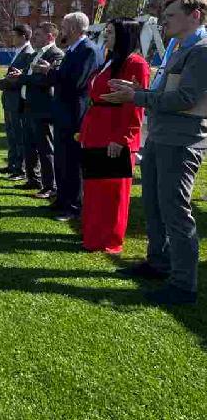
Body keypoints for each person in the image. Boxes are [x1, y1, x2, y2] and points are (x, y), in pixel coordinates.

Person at [104, 0, 207, 305]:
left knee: (176, 212)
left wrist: (136, 97)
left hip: (181, 141)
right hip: (162, 137)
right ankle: (158, 262)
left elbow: (184, 99)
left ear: (196, 16)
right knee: (154, 206)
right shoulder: (179, 47)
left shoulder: (201, 51)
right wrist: (139, 91)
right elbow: (166, 92)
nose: (164, 22)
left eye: (171, 16)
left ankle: (183, 285)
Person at [78, 19, 150, 254]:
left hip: (113, 135)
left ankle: (109, 239)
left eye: (110, 32)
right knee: (95, 189)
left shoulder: (136, 63)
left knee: (112, 192)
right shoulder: (111, 59)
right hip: (97, 130)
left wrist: (122, 139)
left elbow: (136, 107)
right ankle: (92, 235)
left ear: (124, 35)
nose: (105, 36)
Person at [34, 12, 103, 221]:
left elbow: (77, 83)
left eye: (63, 26)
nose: (61, 31)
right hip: (64, 112)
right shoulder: (73, 49)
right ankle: (62, 199)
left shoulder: (88, 50)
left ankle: (73, 205)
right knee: (62, 159)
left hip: (75, 114)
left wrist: (50, 72)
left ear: (73, 28)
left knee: (72, 161)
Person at [17, 22, 65, 199]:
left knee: (45, 148)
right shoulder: (37, 54)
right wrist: (20, 77)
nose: (34, 37)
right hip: (28, 106)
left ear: (50, 37)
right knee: (29, 145)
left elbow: (46, 81)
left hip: (43, 109)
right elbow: (27, 75)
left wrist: (25, 78)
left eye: (37, 34)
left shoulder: (56, 54)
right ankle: (33, 179)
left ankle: (50, 186)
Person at [0, 26, 35, 178]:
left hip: (17, 101)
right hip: (10, 100)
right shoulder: (20, 51)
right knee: (11, 134)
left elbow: (20, 79)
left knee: (19, 135)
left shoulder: (28, 53)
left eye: (15, 36)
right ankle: (12, 165)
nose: (12, 38)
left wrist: (1, 83)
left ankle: (20, 169)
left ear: (23, 36)